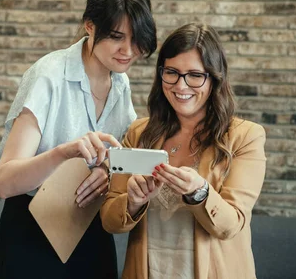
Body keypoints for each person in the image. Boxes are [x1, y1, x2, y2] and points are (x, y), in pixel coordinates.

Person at [0, 0, 157, 279]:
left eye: (136, 38)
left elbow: (121, 154)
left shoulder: (120, 82)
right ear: (90, 26)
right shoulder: (49, 75)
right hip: (33, 230)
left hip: (89, 227)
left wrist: (108, 170)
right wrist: (62, 154)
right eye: (117, 37)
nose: (129, 50)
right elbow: (4, 182)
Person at [100, 23, 267, 279]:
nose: (181, 85)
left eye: (195, 75)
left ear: (214, 78)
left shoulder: (244, 137)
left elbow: (230, 225)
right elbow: (110, 221)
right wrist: (132, 202)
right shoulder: (139, 133)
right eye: (172, 73)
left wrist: (199, 192)